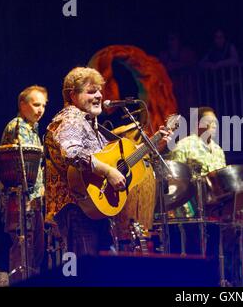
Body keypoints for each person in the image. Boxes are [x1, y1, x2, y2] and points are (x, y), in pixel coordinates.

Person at [44, 67, 171, 258]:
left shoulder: (89, 123)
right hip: (76, 206)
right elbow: (72, 152)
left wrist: (155, 144)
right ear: (72, 96)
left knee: (98, 272)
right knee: (86, 274)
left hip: (92, 208)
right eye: (91, 91)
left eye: (99, 91)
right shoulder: (70, 118)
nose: (99, 96)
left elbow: (122, 158)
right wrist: (108, 172)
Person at [0, 85, 48, 282]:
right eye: (36, 104)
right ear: (22, 104)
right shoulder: (16, 126)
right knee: (22, 247)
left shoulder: (33, 130)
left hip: (33, 199)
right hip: (19, 199)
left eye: (43, 105)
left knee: (35, 249)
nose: (40, 110)